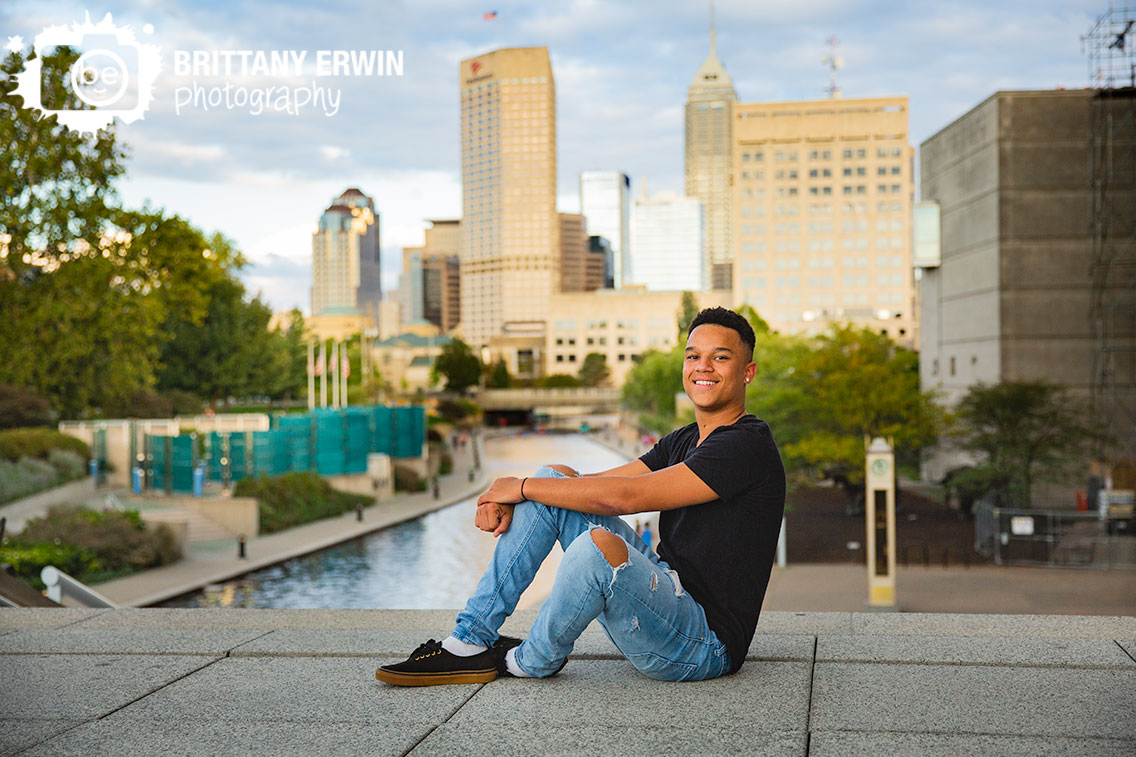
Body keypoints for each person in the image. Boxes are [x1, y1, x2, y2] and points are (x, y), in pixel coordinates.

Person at [376, 307, 785, 685]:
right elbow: (591, 485)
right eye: (693, 356)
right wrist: (526, 492)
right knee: (555, 479)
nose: (703, 367)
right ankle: (469, 640)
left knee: (593, 545)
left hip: (702, 644)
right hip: (664, 595)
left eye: (720, 357)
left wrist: (517, 488)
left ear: (747, 372)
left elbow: (624, 498)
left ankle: (530, 660)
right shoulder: (685, 439)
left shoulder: (745, 445)